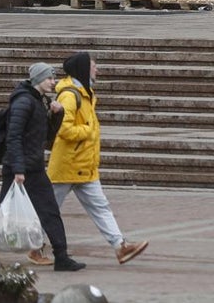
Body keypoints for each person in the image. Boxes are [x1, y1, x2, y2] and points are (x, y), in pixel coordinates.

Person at [0, 62, 86, 272]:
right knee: (2, 209)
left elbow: (47, 138)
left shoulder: (40, 101)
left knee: (49, 211)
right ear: (38, 79)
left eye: (53, 78)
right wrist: (18, 169)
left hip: (34, 167)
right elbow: (14, 137)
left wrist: (57, 115)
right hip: (17, 169)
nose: (53, 82)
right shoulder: (23, 102)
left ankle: (62, 257)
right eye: (49, 78)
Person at [30, 51, 149, 266]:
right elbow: (64, 130)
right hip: (67, 165)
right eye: (94, 65)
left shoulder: (86, 92)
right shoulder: (70, 95)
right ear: (84, 69)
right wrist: (88, 131)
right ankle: (35, 247)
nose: (97, 69)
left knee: (100, 206)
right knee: (50, 209)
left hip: (84, 166)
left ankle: (120, 246)